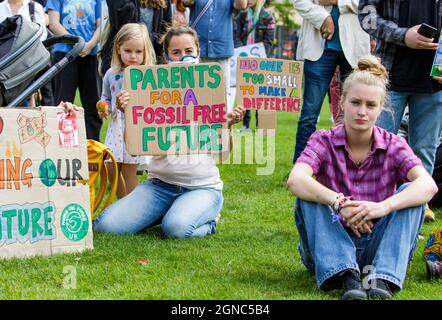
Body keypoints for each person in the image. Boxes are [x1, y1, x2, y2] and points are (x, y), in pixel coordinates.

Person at [287, 56, 438, 300]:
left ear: (381, 109)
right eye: (355, 102)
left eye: (370, 105)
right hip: (327, 245)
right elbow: (295, 179)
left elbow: (427, 185)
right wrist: (339, 203)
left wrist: (381, 207)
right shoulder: (322, 140)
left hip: (376, 246)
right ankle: (345, 275)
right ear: (342, 102)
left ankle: (382, 278)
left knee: (414, 195)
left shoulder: (394, 144)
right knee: (307, 194)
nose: (362, 111)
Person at [93, 25, 246, 238]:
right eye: (176, 52)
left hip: (200, 187)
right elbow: (135, 150)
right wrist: (127, 112)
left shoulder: (211, 90)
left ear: (198, 51)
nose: (183, 57)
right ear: (166, 56)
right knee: (105, 227)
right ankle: (164, 212)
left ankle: (208, 222)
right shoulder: (151, 90)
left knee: (175, 230)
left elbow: (223, 155)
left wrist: (227, 127)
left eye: (188, 51)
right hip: (159, 186)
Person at [358, 0, 442, 222]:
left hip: (434, 81)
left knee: (424, 151)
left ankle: (415, 210)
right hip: (388, 77)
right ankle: (368, 208)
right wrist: (403, 36)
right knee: (374, 148)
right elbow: (366, 17)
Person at [291, 0, 370, 164]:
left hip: (355, 49)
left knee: (355, 113)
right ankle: (301, 167)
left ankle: (350, 166)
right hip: (318, 48)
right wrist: (323, 18)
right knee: (309, 115)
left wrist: (337, 1)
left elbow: (369, 4)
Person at [98, 23, 155, 199]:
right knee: (111, 166)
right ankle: (122, 204)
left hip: (135, 126)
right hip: (116, 127)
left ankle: (132, 207)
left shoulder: (148, 75)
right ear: (118, 49)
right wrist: (103, 106)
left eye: (138, 52)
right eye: (128, 50)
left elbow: (152, 102)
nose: (133, 56)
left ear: (145, 52)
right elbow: (105, 96)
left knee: (129, 170)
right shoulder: (111, 74)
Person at [47, 0, 102, 141]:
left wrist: (89, 45)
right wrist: (76, 43)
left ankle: (93, 147)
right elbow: (54, 23)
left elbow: (100, 25)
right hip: (64, 55)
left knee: (93, 105)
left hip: (90, 54)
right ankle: (62, 147)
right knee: (62, 104)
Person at [182, 0, 247, 99]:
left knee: (222, 94)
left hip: (221, 50)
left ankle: (223, 115)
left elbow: (241, 5)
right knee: (196, 92)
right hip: (197, 51)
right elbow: (187, 1)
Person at [233, 0, 275, 131]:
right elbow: (235, 37)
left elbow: (268, 41)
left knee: (260, 94)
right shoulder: (241, 16)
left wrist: (260, 58)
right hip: (245, 61)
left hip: (261, 62)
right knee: (245, 93)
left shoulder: (268, 18)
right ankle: (245, 125)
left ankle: (261, 125)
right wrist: (243, 54)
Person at [100, 0, 171, 75]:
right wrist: (147, 38)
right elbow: (123, 22)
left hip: (152, 61)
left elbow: (166, 28)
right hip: (121, 62)